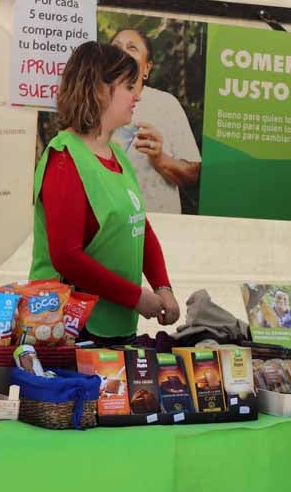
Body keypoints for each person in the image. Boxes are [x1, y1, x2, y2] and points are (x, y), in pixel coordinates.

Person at [30, 41, 181, 345]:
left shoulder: (115, 153)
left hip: (114, 323)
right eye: (128, 86)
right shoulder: (65, 157)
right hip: (70, 329)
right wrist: (136, 296)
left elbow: (138, 226)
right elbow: (66, 257)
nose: (136, 96)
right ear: (99, 89)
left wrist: (163, 287)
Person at [110, 28, 201, 214]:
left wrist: (160, 159)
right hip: (110, 225)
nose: (122, 52)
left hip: (160, 224)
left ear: (147, 68)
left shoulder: (165, 104)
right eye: (116, 47)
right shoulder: (94, 102)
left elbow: (192, 174)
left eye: (132, 48)